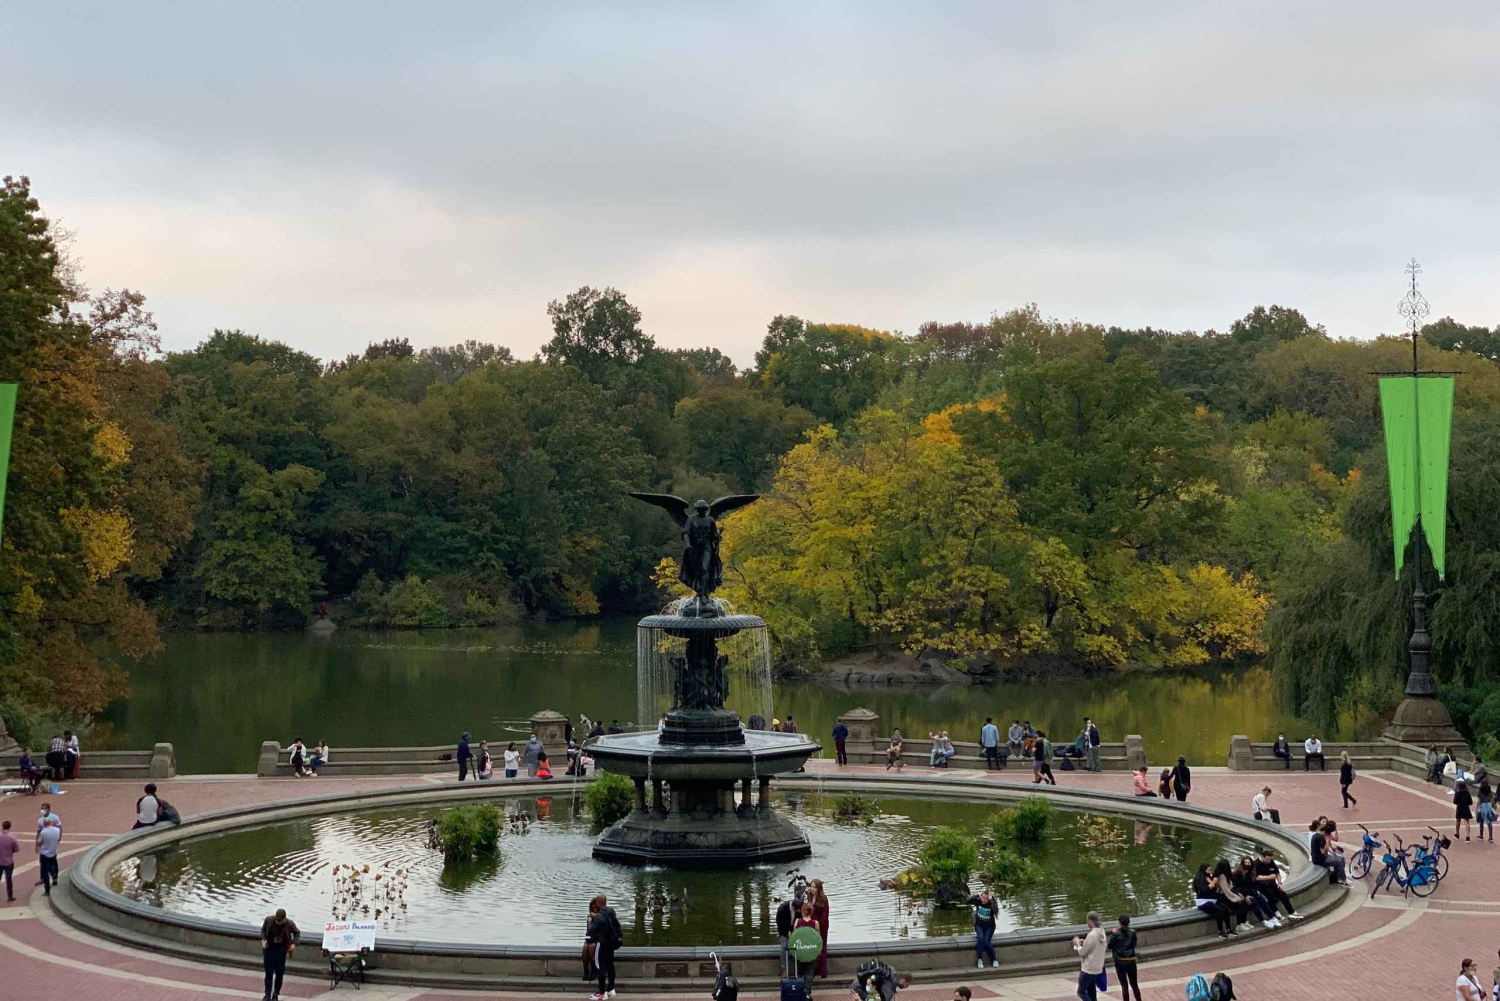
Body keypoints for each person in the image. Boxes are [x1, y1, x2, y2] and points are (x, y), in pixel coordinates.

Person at [586, 894, 622, 1000]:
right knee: (610, 965)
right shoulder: (611, 912)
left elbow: (590, 934)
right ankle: (611, 989)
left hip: (601, 944)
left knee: (600, 967)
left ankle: (602, 992)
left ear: (597, 903)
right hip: (611, 944)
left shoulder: (598, 918)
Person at [260, 908, 300, 1001]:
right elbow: (262, 930)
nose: (279, 923)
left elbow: (297, 932)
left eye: (280, 922)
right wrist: (264, 940)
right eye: (277, 921)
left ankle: (276, 994)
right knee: (268, 974)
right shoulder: (268, 920)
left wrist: (294, 943)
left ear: (284, 919)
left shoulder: (289, 923)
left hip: (281, 951)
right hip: (269, 949)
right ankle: (267, 995)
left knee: (279, 975)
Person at [1230, 857, 1280, 928]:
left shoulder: (1252, 872)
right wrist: (1245, 895)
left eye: (1249, 863)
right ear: (1242, 863)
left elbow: (1254, 884)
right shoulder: (1238, 874)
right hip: (1243, 894)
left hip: (1252, 892)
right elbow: (1238, 887)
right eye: (1245, 863)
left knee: (1262, 900)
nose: (1247, 864)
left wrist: (1256, 892)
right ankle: (1262, 921)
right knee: (1254, 902)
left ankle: (1272, 917)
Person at [1252, 848, 1301, 920]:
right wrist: (1269, 877)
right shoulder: (1256, 864)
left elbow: (1277, 873)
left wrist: (1279, 883)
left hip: (1272, 884)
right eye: (1267, 859)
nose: (1268, 861)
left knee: (1282, 894)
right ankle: (1276, 912)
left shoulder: (1271, 862)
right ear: (1262, 857)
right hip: (1262, 885)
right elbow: (1256, 877)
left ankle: (1291, 911)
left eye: (1270, 860)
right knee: (1270, 894)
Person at [1071, 910, 1107, 1001]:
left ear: (1090, 921)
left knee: (1081, 992)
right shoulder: (1102, 932)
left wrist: (1077, 943)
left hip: (1088, 969)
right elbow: (1095, 946)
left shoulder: (1092, 935)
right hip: (1098, 968)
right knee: (1092, 992)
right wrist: (1085, 942)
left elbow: (1082, 952)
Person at [1106, 914, 1141, 1001]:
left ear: (1119, 923)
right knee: (1134, 984)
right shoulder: (1133, 932)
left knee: (1124, 985)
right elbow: (1134, 944)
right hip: (1131, 961)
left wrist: (1114, 933)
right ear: (1128, 922)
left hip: (1120, 962)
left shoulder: (1116, 934)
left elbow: (1109, 946)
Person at [1193, 863, 1233, 938]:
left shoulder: (1210, 877)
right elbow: (1203, 891)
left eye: (1210, 870)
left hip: (1212, 899)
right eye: (1208, 870)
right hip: (1203, 901)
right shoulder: (1198, 879)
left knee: (1226, 909)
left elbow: (1213, 890)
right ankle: (1220, 931)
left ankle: (1229, 929)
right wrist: (1212, 883)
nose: (1209, 871)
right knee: (1219, 910)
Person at [775, 887, 804, 978]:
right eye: (799, 910)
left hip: (795, 930)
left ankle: (801, 970)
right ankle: (784, 969)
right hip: (784, 930)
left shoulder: (800, 908)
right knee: (784, 947)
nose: (800, 912)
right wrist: (787, 932)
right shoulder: (782, 908)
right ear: (795, 908)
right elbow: (779, 923)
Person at [968, 888, 998, 968]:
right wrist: (977, 895)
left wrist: (991, 900)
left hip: (989, 927)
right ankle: (980, 959)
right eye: (983, 897)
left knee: (986, 941)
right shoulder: (978, 902)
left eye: (986, 898)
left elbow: (995, 910)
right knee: (980, 938)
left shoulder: (991, 904)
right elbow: (969, 900)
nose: (984, 900)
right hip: (979, 925)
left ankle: (994, 959)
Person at [791, 900, 820, 983]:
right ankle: (808, 991)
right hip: (811, 950)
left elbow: (794, 936)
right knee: (810, 971)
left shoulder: (798, 921)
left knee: (800, 971)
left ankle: (800, 989)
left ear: (802, 911)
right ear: (811, 912)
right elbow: (818, 937)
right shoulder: (815, 923)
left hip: (800, 950)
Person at [809, 877, 830, 978]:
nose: (812, 889)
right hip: (811, 925)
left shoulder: (824, 899)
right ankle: (814, 969)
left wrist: (819, 925)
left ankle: (823, 971)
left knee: (822, 947)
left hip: (821, 926)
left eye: (814, 887)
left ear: (818, 888)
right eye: (811, 886)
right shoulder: (809, 897)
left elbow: (825, 915)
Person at [36, 817, 60, 897]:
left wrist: (38, 848)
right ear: (50, 822)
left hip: (45, 853)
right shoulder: (57, 830)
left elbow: (39, 842)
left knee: (45, 871)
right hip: (53, 852)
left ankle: (47, 889)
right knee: (54, 865)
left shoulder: (43, 832)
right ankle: (55, 877)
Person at [0, 820, 18, 902]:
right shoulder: (12, 838)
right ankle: (10, 896)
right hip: (8, 861)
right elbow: (16, 849)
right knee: (8, 879)